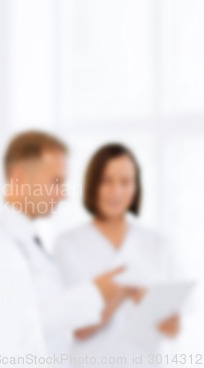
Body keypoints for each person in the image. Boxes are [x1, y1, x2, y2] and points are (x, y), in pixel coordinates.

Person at [0, 131, 124, 368]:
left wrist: (97, 308)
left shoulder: (32, 243)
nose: (63, 194)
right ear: (20, 177)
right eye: (55, 182)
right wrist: (93, 295)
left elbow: (48, 321)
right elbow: (10, 327)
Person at [54, 143, 184, 366]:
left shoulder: (159, 244)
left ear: (136, 187)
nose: (116, 191)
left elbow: (172, 328)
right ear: (93, 185)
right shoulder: (68, 244)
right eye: (107, 181)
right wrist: (121, 294)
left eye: (125, 182)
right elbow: (78, 329)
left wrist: (146, 301)